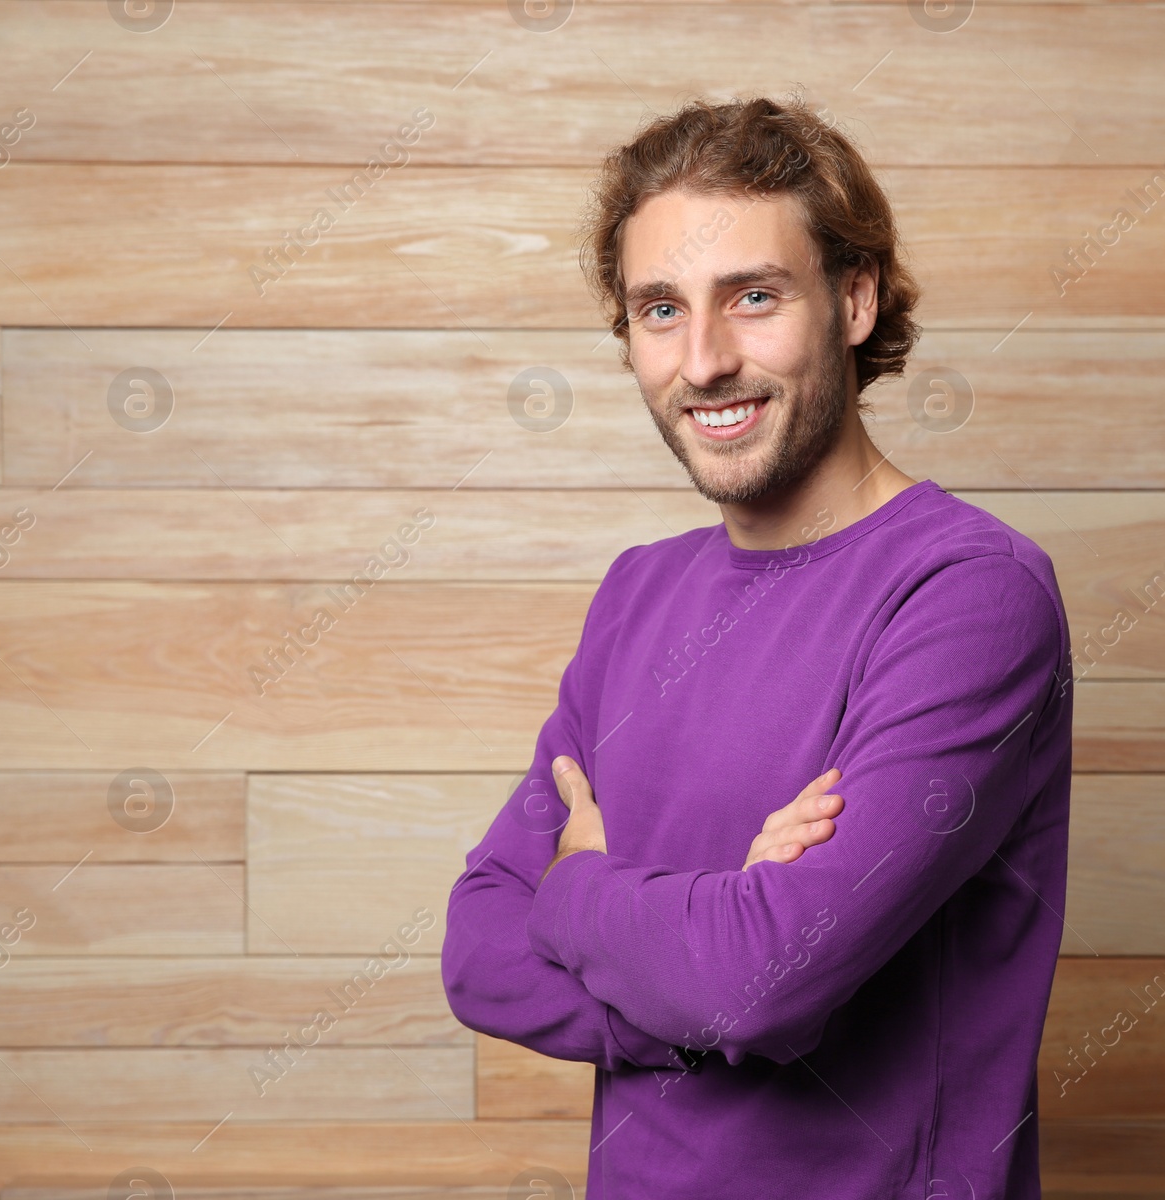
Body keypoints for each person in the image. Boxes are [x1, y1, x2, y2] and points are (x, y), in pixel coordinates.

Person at [442, 93, 1074, 1199]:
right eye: (658, 310)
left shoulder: (969, 595)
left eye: (753, 297)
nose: (704, 360)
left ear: (854, 300)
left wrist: (583, 887)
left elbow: (764, 978)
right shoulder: (639, 593)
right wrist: (715, 952)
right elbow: (479, 952)